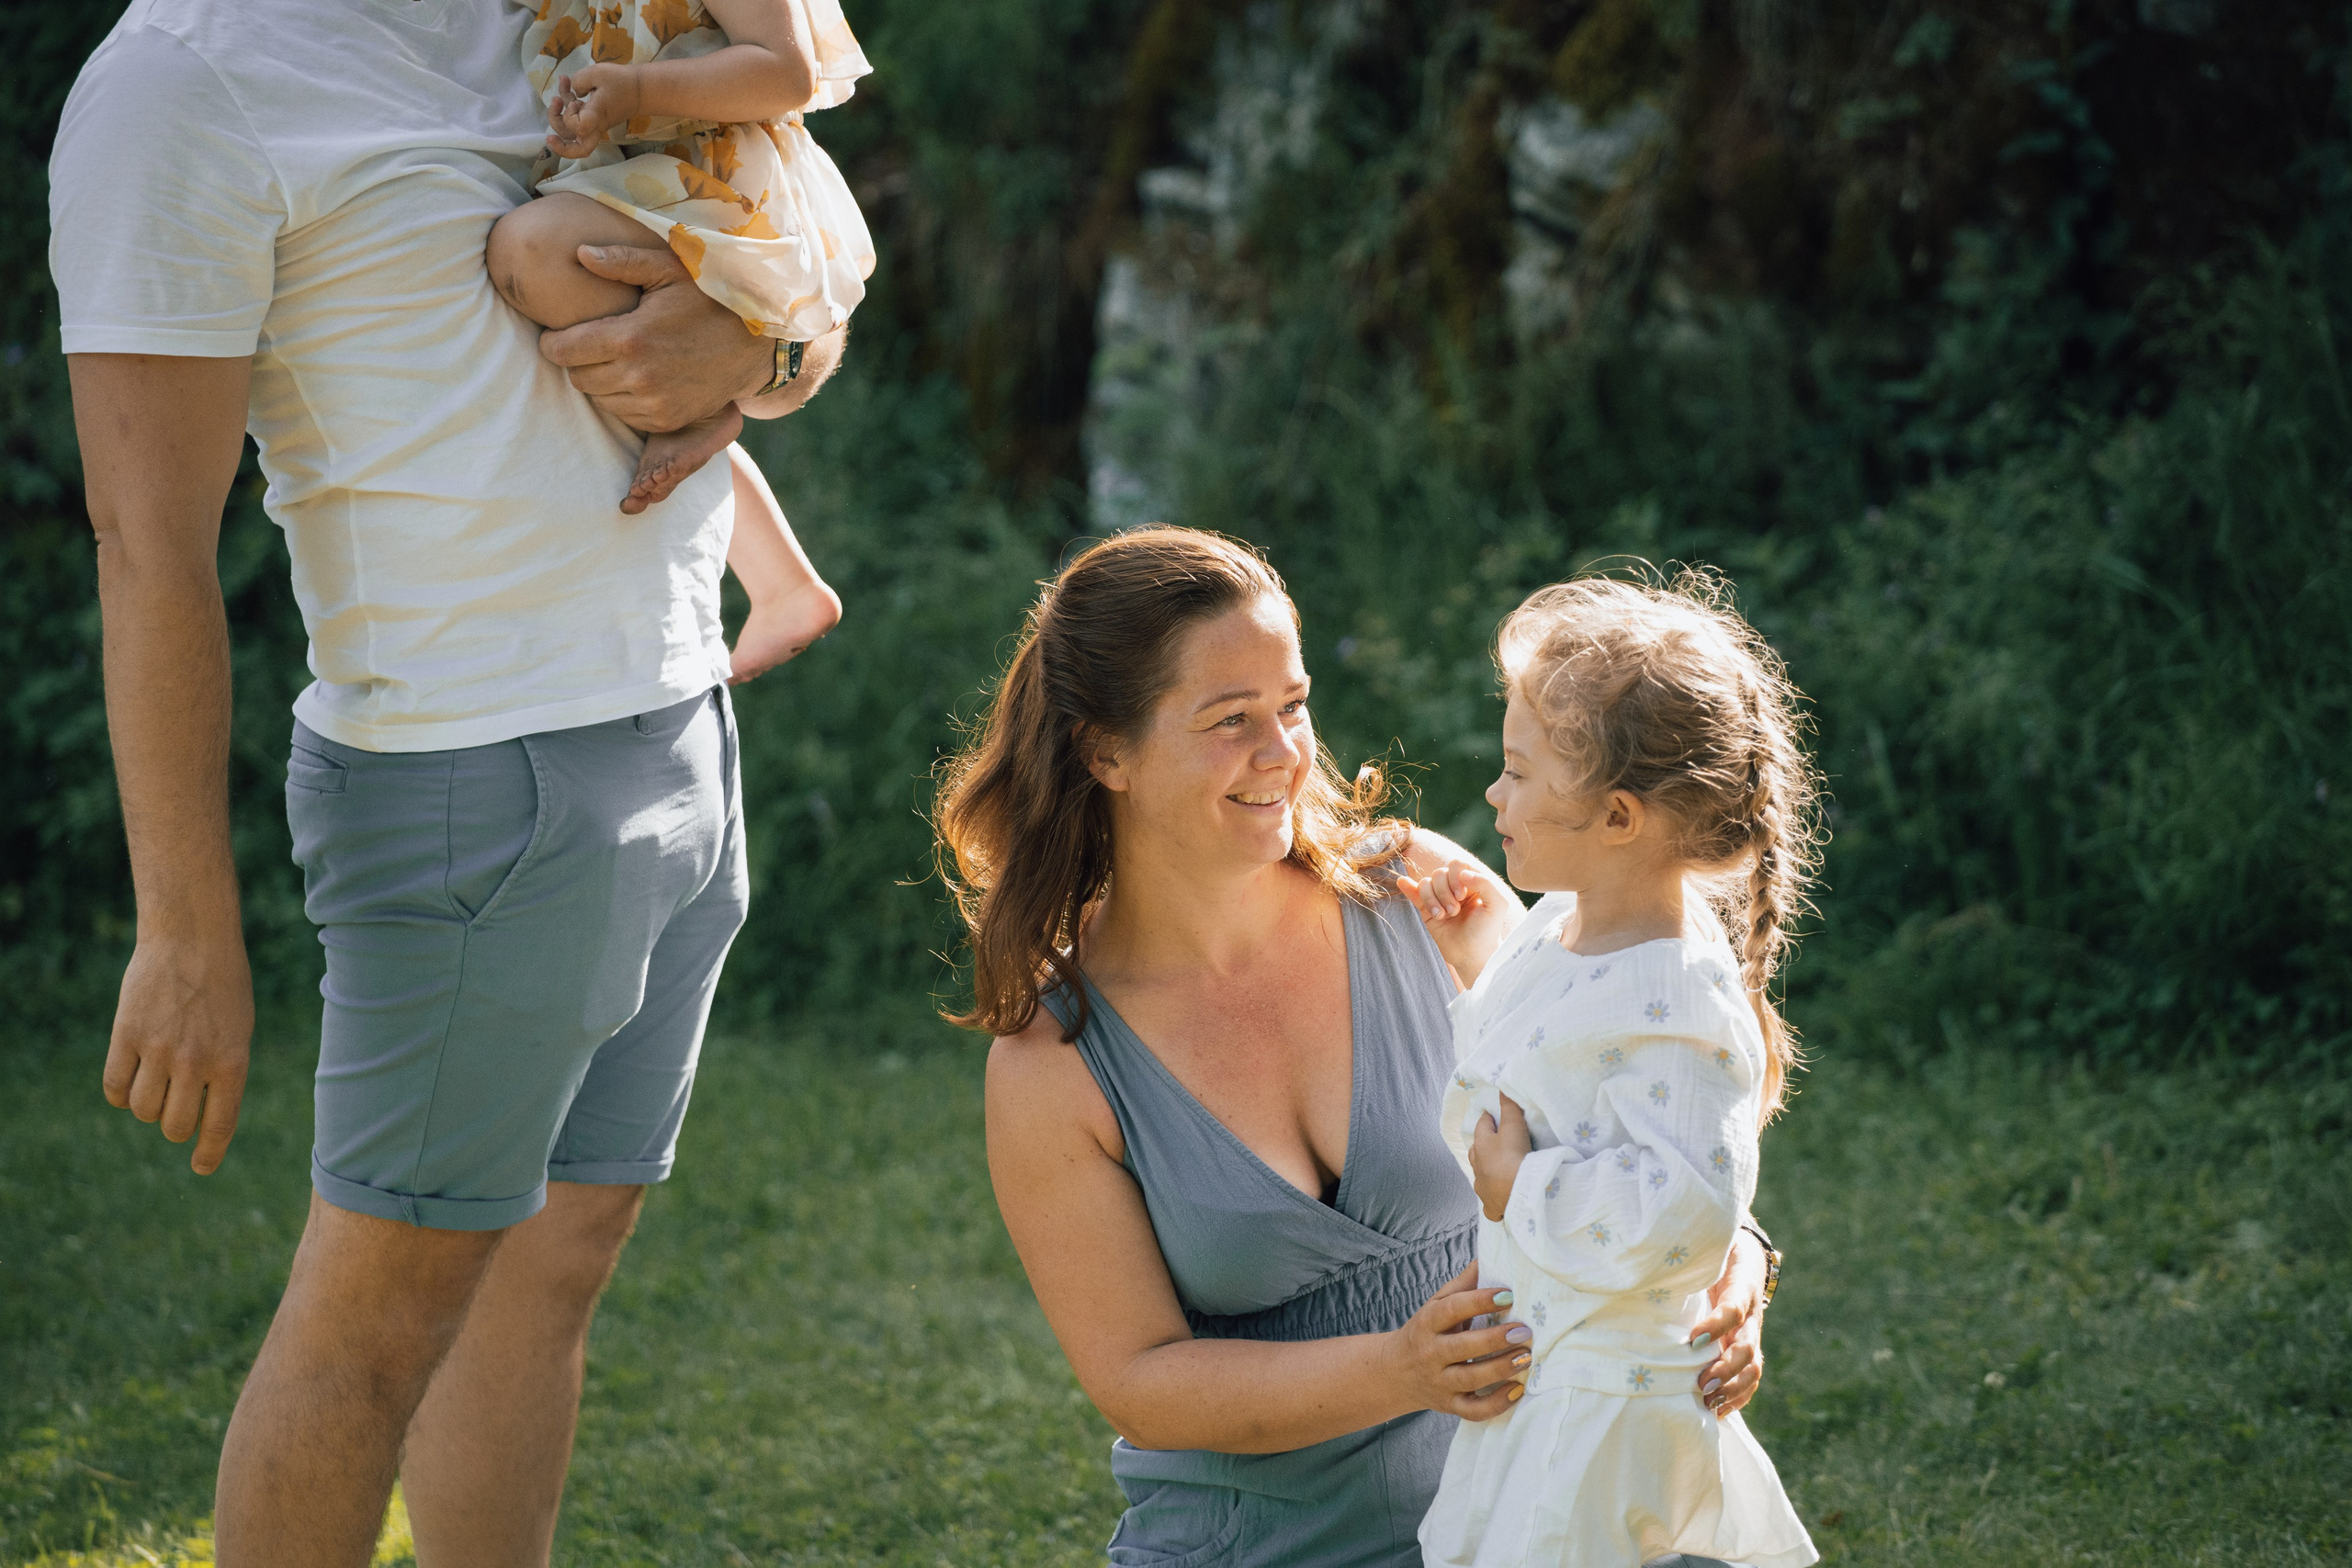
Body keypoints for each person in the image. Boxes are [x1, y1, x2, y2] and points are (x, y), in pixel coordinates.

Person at [48, 0, 844, 1560]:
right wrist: (182, 927)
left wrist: (772, 348)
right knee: (374, 1323)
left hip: (681, 726)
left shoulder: (567, 11)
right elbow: (147, 543)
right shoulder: (178, 84)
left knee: (555, 1259)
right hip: (472, 782)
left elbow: (787, 215)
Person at [933, 527, 1774, 1566]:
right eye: (1229, 721)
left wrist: (1733, 1261)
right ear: (1104, 752)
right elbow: (1142, 1384)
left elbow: (1617, 1088)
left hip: (1536, 1511)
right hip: (1261, 1545)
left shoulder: (1424, 898)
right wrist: (1405, 1370)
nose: (1284, 753)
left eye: (1291, 705)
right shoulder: (1053, 1066)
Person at [1407, 574, 1821, 1568]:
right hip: (1546, 1375)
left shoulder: (1678, 997)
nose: (1492, 794)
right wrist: (1476, 954)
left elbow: (1681, 1210)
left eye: (1517, 772)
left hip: (1603, 1408)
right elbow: (1535, 1065)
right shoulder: (1564, 923)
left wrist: (1521, 1185)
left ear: (1620, 817)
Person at [489, 0, 872, 676]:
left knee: (532, 254)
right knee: (572, 286)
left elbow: (786, 71)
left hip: (719, 190)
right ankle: (779, 579)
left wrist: (636, 92)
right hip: (632, 182)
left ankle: (707, 419)